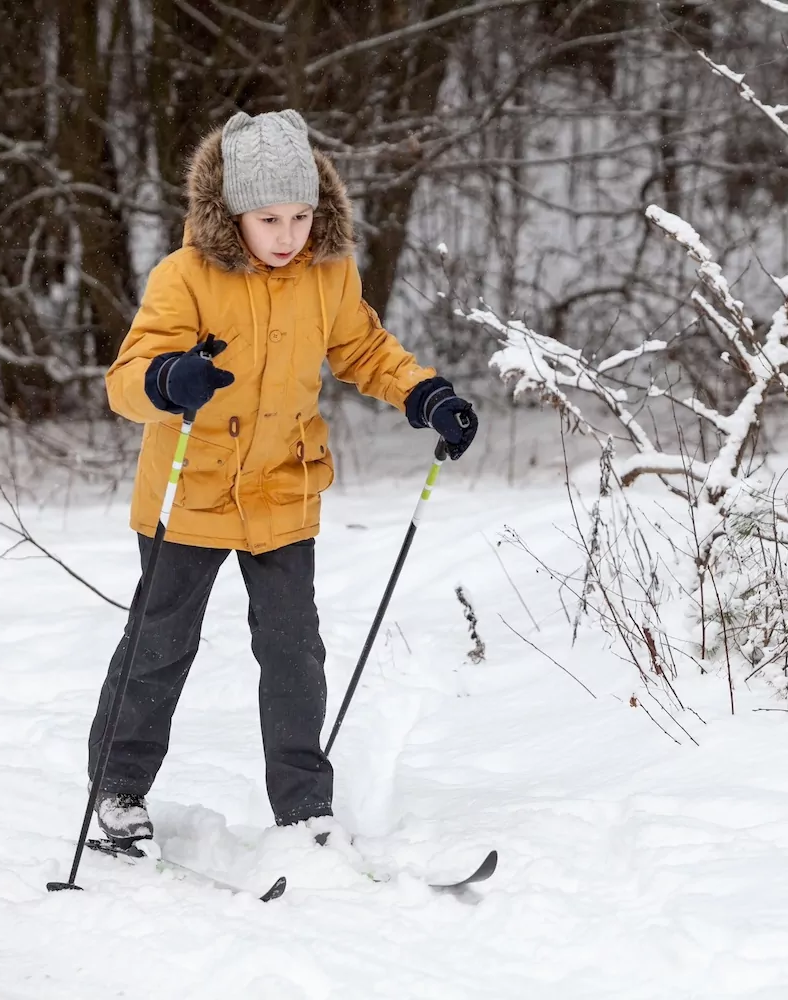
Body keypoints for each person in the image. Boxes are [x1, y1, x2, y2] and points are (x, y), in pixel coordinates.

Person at [88, 109, 477, 846]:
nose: (288, 233)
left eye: (301, 215)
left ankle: (304, 807)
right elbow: (125, 381)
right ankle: (117, 789)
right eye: (270, 217)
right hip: (191, 494)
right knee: (161, 646)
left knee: (295, 653)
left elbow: (366, 351)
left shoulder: (327, 275)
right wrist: (170, 378)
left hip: (282, 491)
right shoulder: (186, 277)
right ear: (234, 210)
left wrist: (425, 394)